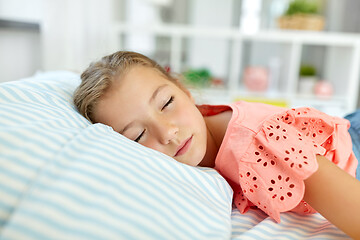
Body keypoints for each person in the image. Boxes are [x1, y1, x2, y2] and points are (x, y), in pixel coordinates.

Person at [73, 51, 360, 239]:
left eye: (167, 103)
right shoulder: (195, 139)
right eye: (138, 136)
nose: (168, 132)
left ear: (184, 91)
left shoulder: (257, 144)